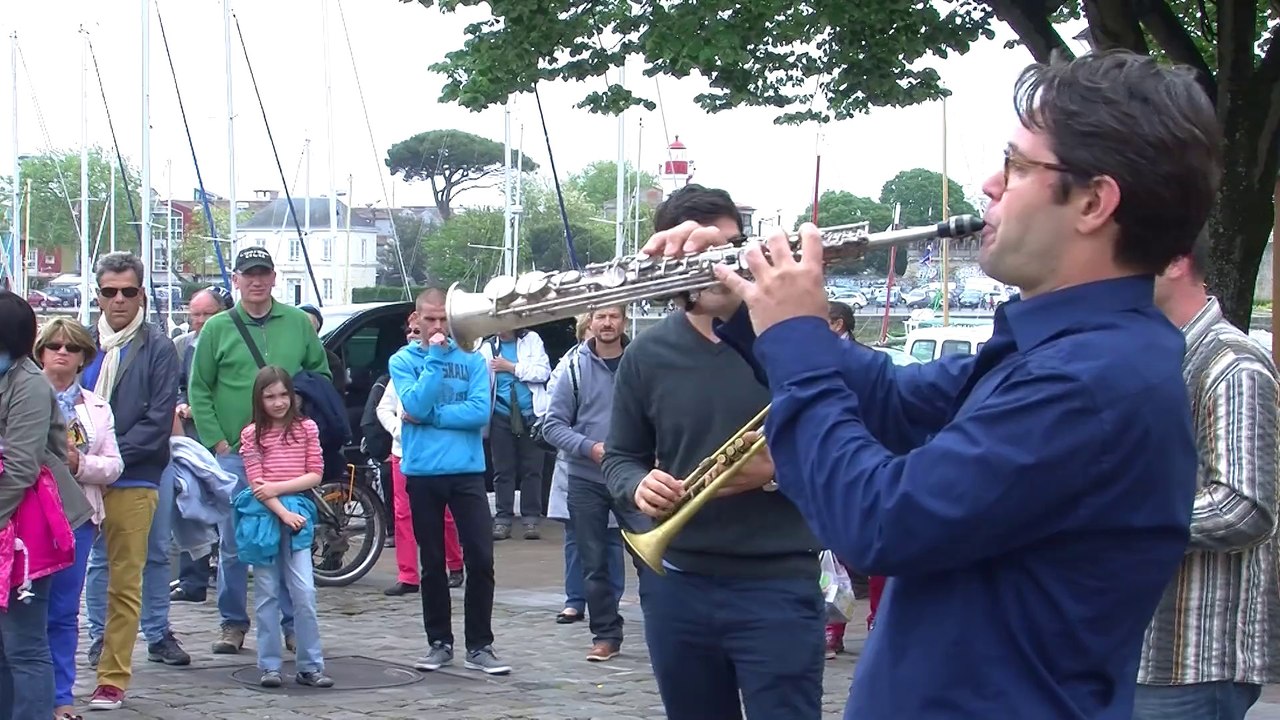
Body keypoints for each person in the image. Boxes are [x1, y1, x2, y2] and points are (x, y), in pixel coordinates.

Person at [644, 51, 1222, 718]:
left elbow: (879, 520)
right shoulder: (1065, 349)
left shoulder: (1090, 381)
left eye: (1017, 167)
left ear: (1094, 202)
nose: (989, 184)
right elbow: (893, 400)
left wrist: (796, 338)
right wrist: (748, 300)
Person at [602, 184, 825, 719]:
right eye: (699, 255)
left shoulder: (790, 339)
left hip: (778, 582)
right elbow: (619, 457)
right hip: (677, 585)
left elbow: (848, 441)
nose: (716, 265)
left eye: (727, 248)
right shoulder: (647, 353)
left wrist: (776, 472)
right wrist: (637, 485)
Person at [1135, 237, 1280, 719]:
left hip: (1194, 666)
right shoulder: (1156, 359)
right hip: (1141, 657)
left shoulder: (1231, 364)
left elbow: (1245, 507)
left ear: (1176, 260)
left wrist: (1114, 514)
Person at [189, 246, 331, 654]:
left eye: (263, 273)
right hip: (234, 450)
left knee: (287, 538)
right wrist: (216, 440)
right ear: (235, 279)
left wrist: (298, 423)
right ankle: (232, 623)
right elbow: (199, 387)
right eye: (248, 273)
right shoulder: (217, 327)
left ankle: (290, 624)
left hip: (285, 452)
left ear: (273, 277)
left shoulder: (297, 323)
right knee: (234, 542)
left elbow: (320, 373)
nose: (256, 281)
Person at [388, 288, 510, 676]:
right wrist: (436, 360)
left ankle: (480, 644)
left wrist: (433, 417)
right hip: (423, 472)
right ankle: (439, 641)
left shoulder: (474, 359)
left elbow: (478, 413)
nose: (439, 327)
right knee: (433, 564)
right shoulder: (403, 360)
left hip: (467, 471)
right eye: (431, 319)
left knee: (481, 558)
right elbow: (413, 405)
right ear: (417, 320)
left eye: (444, 319)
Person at [81, 251, 183, 709]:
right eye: (109, 292)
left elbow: (158, 417)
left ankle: (113, 676)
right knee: (81, 571)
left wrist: (108, 459)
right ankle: (89, 648)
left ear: (142, 293)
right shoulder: (82, 345)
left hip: (135, 474)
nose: (118, 300)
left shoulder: (158, 346)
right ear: (98, 295)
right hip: (77, 478)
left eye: (127, 291)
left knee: (126, 577)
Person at [0, 290, 92, 720]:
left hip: (30, 528)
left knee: (25, 643)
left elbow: (20, 468)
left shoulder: (29, 384)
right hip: (7, 523)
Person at [37, 318, 125, 720]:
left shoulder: (97, 408)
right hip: (26, 517)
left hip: (77, 517)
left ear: (82, 358)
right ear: (39, 352)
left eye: (70, 348)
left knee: (63, 609)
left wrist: (80, 462)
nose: (61, 352)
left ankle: (61, 695)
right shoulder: (20, 397)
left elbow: (113, 465)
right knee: (21, 609)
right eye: (52, 345)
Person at [542, 305, 634, 662]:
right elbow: (553, 426)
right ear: (590, 322)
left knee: (651, 561)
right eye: (601, 317)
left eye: (614, 316)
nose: (608, 323)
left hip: (633, 476)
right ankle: (606, 634)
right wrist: (589, 448)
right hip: (586, 478)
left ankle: (664, 631)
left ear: (623, 321)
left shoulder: (641, 362)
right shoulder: (572, 368)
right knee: (593, 562)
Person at [237, 366, 333, 689]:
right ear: (259, 399)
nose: (278, 403)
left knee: (304, 591)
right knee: (266, 593)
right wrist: (279, 508)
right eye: (270, 396)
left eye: (283, 395)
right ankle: (269, 664)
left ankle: (310, 664)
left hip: (297, 514)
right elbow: (256, 485)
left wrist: (279, 491)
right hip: (264, 517)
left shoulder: (306, 428)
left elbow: (314, 474)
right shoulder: (251, 434)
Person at [377, 319, 465, 595]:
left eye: (419, 332)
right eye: (411, 332)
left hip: (435, 453)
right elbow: (384, 408)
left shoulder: (447, 367)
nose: (414, 337)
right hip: (403, 453)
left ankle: (455, 564)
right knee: (403, 515)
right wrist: (398, 431)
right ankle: (408, 575)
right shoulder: (400, 367)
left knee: (445, 514)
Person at [171, 287, 233, 603]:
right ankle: (192, 580)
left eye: (206, 314)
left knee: (226, 506)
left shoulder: (231, 343)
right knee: (191, 502)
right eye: (194, 314)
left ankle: (226, 577)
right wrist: (183, 403)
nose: (199, 321)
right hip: (194, 437)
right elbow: (183, 384)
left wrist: (203, 409)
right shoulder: (188, 346)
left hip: (223, 436)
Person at [479, 328, 551, 540]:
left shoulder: (532, 339)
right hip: (501, 414)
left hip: (531, 415)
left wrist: (510, 367)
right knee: (503, 470)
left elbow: (542, 372)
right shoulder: (486, 348)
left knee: (533, 468)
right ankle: (503, 519)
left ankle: (531, 518)